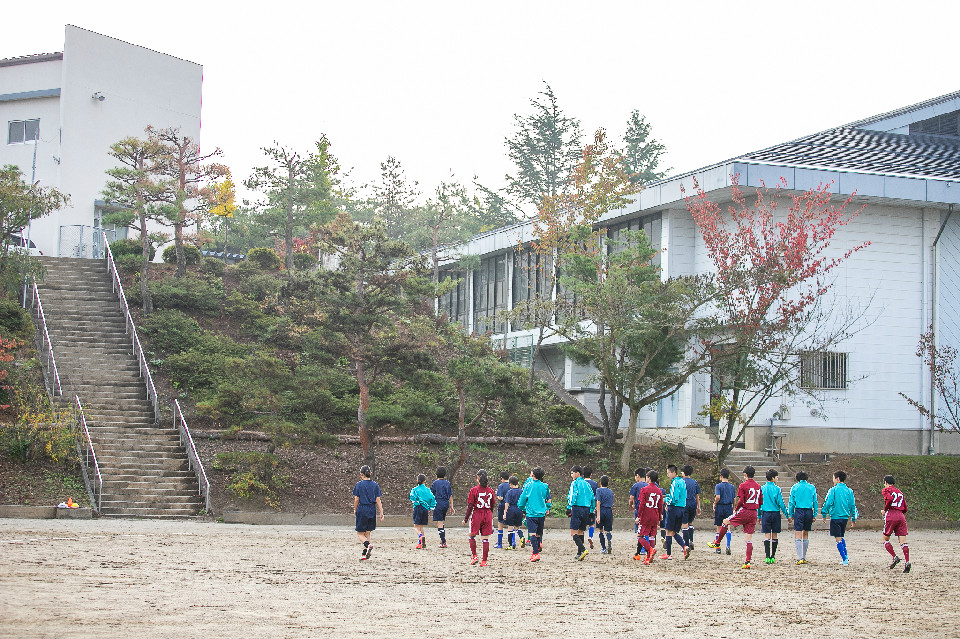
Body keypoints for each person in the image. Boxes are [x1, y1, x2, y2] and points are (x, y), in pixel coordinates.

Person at [716, 466, 762, 569]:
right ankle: (747, 562)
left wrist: (736, 509)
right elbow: (760, 502)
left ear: (745, 475)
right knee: (748, 539)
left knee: (725, 522)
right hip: (754, 513)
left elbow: (741, 501)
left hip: (745, 511)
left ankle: (717, 542)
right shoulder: (758, 486)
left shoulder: (743, 485)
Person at [821, 470, 859, 565]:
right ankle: (846, 555)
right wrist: (853, 518)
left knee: (837, 538)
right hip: (845, 517)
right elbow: (852, 505)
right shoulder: (849, 491)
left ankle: (844, 558)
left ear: (837, 479)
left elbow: (828, 503)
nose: (833, 480)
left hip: (835, 517)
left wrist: (824, 513)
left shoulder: (833, 490)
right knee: (841, 536)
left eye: (833, 478)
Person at [463, 469, 497, 566]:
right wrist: (490, 514)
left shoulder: (474, 490)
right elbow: (492, 504)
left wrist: (465, 519)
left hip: (477, 514)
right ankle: (484, 561)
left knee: (471, 535)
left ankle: (474, 556)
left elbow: (470, 506)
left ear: (477, 478)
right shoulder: (490, 491)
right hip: (488, 514)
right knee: (485, 538)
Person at [518, 467, 551, 562]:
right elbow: (547, 498)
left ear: (533, 475)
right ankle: (538, 546)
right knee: (538, 533)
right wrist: (547, 507)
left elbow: (522, 500)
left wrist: (522, 508)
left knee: (532, 533)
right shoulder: (545, 486)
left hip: (531, 513)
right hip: (541, 514)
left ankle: (535, 553)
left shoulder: (528, 486)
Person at [352, 465, 384, 561]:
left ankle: (368, 545)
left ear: (362, 474)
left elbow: (356, 499)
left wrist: (355, 509)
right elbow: (378, 500)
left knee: (360, 533)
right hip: (372, 509)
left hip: (363, 508)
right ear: (370, 473)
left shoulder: (359, 485)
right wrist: (381, 512)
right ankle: (364, 553)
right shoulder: (375, 485)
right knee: (367, 532)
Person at [787, 470, 819, 565]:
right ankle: (804, 557)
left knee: (798, 533)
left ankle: (800, 557)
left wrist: (791, 514)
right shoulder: (811, 487)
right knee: (805, 533)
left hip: (799, 511)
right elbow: (815, 502)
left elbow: (791, 502)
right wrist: (815, 514)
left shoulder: (794, 487)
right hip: (808, 511)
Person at [881, 474, 910, 573]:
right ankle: (907, 562)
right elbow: (905, 508)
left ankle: (895, 557)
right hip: (901, 516)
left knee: (885, 539)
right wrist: (900, 514)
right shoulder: (900, 492)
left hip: (891, 515)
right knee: (903, 541)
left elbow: (889, 499)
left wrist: (885, 510)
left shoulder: (886, 490)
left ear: (886, 483)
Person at [634, 470, 665, 565]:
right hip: (655, 515)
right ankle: (648, 557)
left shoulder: (644, 489)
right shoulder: (659, 491)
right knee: (652, 536)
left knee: (640, 536)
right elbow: (660, 505)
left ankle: (650, 550)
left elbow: (642, 504)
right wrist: (660, 515)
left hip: (646, 516)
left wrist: (639, 516)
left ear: (649, 478)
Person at [661, 464, 690, 560]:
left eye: (668, 473)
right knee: (674, 532)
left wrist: (665, 501)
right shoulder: (682, 481)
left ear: (673, 473)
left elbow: (673, 498)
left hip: (673, 509)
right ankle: (685, 547)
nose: (667, 475)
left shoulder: (675, 482)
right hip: (682, 508)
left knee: (668, 531)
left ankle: (668, 554)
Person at [759, 469, 788, 564]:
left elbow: (759, 503)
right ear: (773, 478)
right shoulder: (777, 489)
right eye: (776, 477)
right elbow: (781, 503)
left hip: (765, 513)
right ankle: (773, 556)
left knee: (767, 535)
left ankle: (767, 556)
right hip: (775, 514)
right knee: (775, 535)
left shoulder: (762, 488)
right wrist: (787, 515)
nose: (777, 478)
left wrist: (759, 516)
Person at [567, 465, 594, 561]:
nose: (571, 475)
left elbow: (572, 495)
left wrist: (569, 507)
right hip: (586, 509)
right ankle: (579, 553)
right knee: (580, 531)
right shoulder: (587, 484)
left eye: (572, 473)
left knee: (573, 532)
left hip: (577, 508)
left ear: (577, 473)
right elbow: (592, 497)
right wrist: (591, 510)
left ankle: (583, 549)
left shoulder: (574, 483)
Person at [709, 468, 736, 555]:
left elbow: (718, 497)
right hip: (728, 507)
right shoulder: (732, 487)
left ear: (721, 476)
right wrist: (734, 507)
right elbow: (734, 499)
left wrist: (715, 503)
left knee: (719, 527)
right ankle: (728, 546)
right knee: (728, 526)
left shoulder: (718, 486)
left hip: (720, 506)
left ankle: (718, 547)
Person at [410, 473, 437, 549]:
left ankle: (420, 536)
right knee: (421, 526)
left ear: (417, 481)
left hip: (418, 508)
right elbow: (432, 498)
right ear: (424, 481)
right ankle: (421, 543)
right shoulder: (428, 490)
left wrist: (416, 502)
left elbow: (412, 498)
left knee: (416, 526)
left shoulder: (414, 490)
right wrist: (431, 507)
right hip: (425, 509)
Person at [430, 467, 455, 548]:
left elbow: (431, 495)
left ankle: (443, 541)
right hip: (445, 504)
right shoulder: (447, 483)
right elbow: (450, 495)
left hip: (438, 503)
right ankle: (442, 537)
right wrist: (451, 506)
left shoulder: (435, 483)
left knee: (439, 522)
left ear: (436, 474)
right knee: (441, 521)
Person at [681, 465, 702, 550]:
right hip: (693, 504)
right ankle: (691, 541)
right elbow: (697, 495)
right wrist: (698, 506)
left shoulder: (681, 482)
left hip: (684, 504)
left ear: (683, 473)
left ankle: (686, 545)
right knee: (690, 523)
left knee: (684, 524)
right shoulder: (694, 482)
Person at [502, 476, 526, 550]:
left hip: (511, 510)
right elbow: (524, 502)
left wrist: (505, 513)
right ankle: (521, 537)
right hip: (519, 510)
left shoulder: (510, 492)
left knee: (510, 527)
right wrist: (524, 511)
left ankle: (511, 545)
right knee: (517, 527)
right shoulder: (521, 491)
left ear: (511, 484)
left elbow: (507, 503)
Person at [595, 475, 615, 554]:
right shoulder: (610, 491)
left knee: (600, 530)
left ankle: (603, 548)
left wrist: (598, 515)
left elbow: (598, 502)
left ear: (600, 483)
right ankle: (609, 542)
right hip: (608, 510)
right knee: (607, 530)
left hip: (601, 510)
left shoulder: (598, 490)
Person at [583, 466, 599, 549]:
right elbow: (596, 497)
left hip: (582, 506)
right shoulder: (594, 484)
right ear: (591, 474)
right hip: (591, 507)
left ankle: (581, 540)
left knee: (581, 525)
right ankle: (590, 537)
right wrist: (595, 507)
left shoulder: (581, 483)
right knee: (591, 524)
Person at [495, 471, 511, 549]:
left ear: (502, 478)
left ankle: (499, 543)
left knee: (500, 523)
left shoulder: (501, 486)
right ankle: (512, 542)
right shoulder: (511, 485)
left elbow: (500, 497)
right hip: (511, 506)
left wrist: (497, 494)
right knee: (511, 524)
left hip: (502, 506)